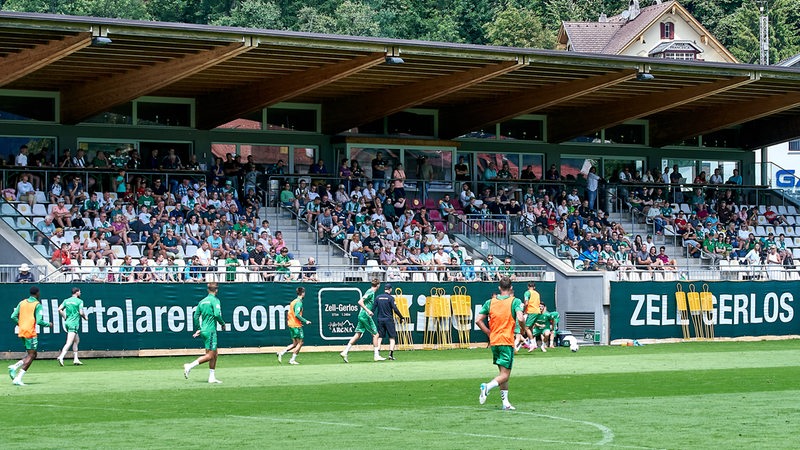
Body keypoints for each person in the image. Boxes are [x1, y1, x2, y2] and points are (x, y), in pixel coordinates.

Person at [476, 277, 524, 410]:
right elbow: (520, 317)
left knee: (502, 374)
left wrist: (488, 333)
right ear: (511, 288)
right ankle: (487, 386)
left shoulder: (490, 302)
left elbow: (478, 320)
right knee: (505, 375)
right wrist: (523, 328)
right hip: (506, 340)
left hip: (495, 341)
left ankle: (505, 403)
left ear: (499, 288)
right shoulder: (515, 301)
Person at [9, 286, 52, 386]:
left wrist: (20, 324)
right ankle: (18, 378)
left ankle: (15, 367)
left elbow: (13, 316)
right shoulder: (37, 304)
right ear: (37, 293)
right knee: (32, 355)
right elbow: (40, 321)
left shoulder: (22, 302)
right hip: (30, 332)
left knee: (32, 354)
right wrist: (48, 324)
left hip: (22, 331)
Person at [184, 283, 226, 384]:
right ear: (216, 290)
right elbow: (216, 314)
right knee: (210, 355)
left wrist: (199, 328)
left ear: (208, 290)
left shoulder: (201, 302)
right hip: (211, 331)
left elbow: (195, 317)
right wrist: (222, 323)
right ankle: (189, 366)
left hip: (204, 331)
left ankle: (212, 377)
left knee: (215, 354)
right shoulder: (215, 300)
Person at [339, 278, 384, 363]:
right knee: (376, 335)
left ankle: (345, 352)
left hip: (362, 315)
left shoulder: (371, 292)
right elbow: (360, 302)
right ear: (378, 285)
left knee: (358, 334)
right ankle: (376, 355)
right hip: (365, 315)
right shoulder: (370, 292)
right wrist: (368, 310)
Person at [277, 287, 312, 365]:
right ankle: (292, 360)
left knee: (295, 343)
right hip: (296, 325)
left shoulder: (293, 301)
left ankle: (281, 353)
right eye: (304, 292)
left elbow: (290, 314)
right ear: (302, 293)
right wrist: (306, 321)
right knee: (301, 342)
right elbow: (296, 314)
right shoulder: (299, 302)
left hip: (291, 324)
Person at [56, 287, 87, 366]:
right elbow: (81, 312)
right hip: (73, 324)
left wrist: (65, 317)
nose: (80, 293)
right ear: (76, 292)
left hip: (67, 323)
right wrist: (85, 317)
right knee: (69, 342)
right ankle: (61, 356)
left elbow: (59, 309)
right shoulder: (80, 301)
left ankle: (76, 359)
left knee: (76, 340)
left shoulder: (66, 300)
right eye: (80, 292)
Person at [373, 283, 404, 361]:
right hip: (389, 320)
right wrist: (401, 317)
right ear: (390, 289)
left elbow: (373, 308)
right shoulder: (391, 298)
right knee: (392, 337)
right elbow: (395, 309)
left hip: (380, 320)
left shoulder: (378, 297)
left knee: (380, 337)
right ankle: (390, 355)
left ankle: (377, 354)